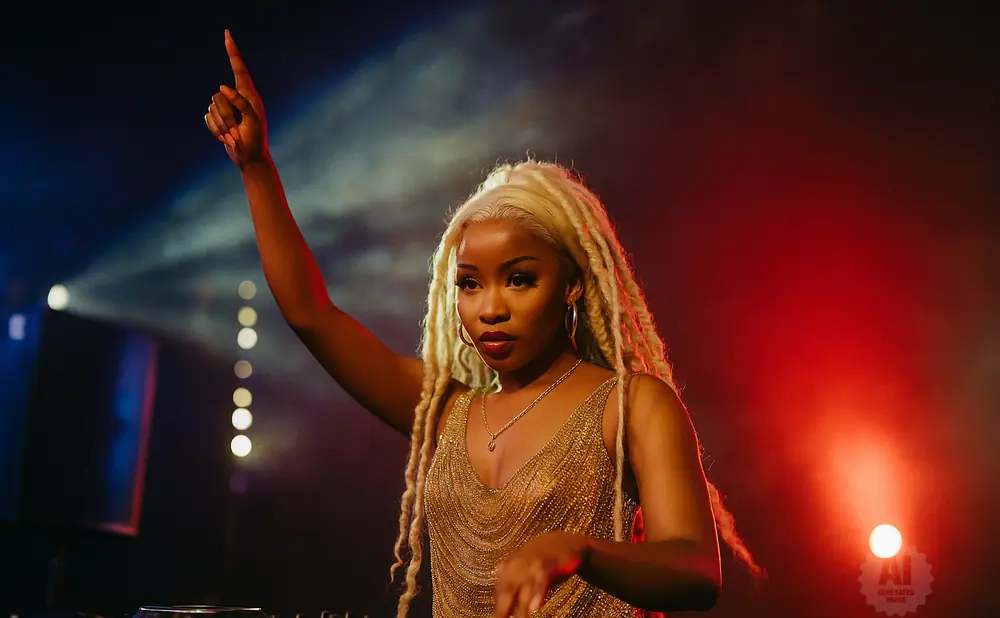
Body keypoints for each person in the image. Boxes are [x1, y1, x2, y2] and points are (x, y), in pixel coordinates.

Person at [204, 30, 762, 618]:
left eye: (519, 279)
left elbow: (697, 571)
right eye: (470, 284)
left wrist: (578, 551)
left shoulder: (632, 406)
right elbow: (311, 315)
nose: (489, 307)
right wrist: (257, 167)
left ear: (572, 283)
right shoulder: (443, 410)